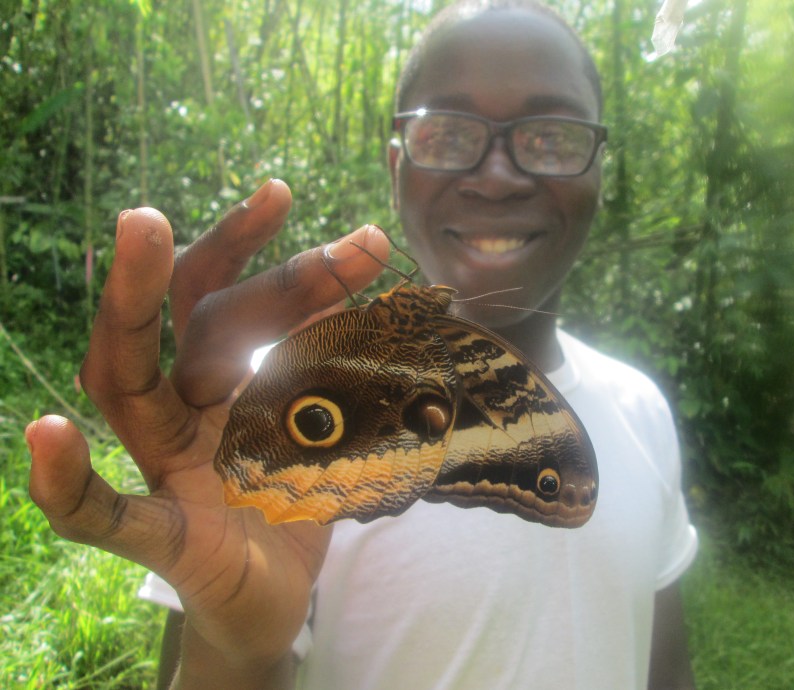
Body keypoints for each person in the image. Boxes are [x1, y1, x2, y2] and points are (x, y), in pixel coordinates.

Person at [25, 1, 698, 688]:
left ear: (601, 166)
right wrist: (236, 652)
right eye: (446, 134)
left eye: (552, 138)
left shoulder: (640, 410)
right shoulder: (289, 403)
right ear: (396, 166)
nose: (497, 177)